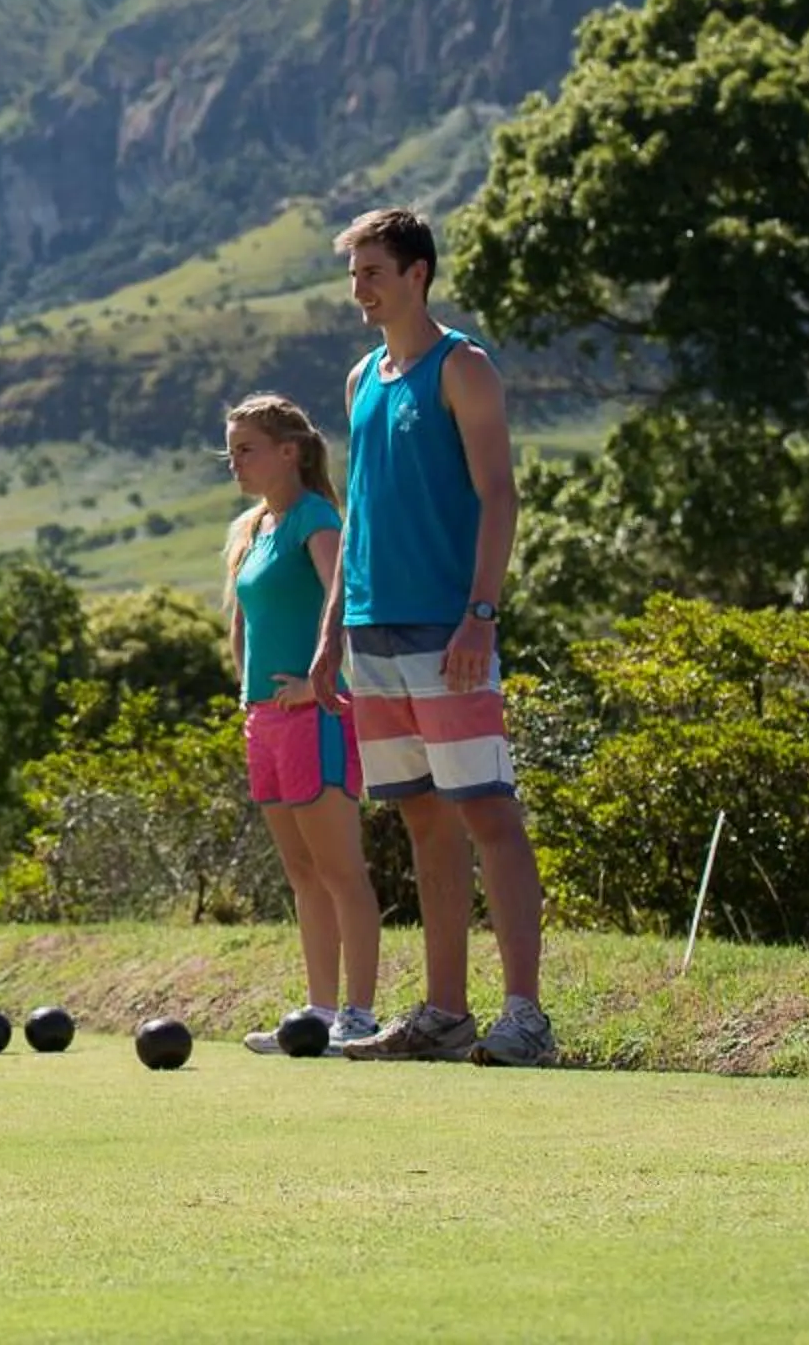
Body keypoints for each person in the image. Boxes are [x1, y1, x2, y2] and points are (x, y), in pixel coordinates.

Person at [306, 208, 556, 1067]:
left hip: (449, 628)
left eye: (373, 272)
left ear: (417, 274)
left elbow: (500, 496)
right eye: (354, 276)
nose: (360, 290)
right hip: (371, 632)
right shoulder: (360, 380)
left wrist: (480, 615)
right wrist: (332, 626)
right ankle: (444, 1013)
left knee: (486, 809)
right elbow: (361, 513)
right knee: (420, 817)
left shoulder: (465, 369)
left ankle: (525, 1016)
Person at [220, 393, 381, 1053]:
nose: (235, 463)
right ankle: (318, 1012)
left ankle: (360, 1016)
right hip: (264, 720)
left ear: (290, 452)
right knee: (303, 874)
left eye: (247, 450)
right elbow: (244, 624)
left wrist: (314, 686)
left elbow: (344, 601)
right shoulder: (252, 529)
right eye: (230, 452)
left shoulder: (317, 519)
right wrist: (250, 693)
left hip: (317, 718)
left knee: (341, 870)